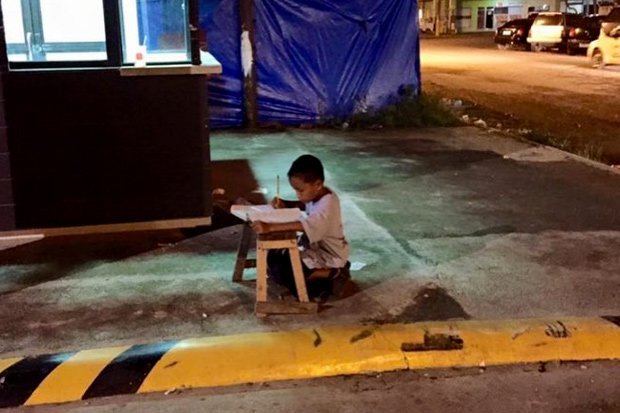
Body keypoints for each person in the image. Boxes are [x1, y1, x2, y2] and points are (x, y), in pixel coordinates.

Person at [251, 154, 350, 301]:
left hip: (330, 256)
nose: (298, 195)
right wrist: (286, 203)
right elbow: (305, 204)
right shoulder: (318, 193)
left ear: (317, 185)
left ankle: (334, 273)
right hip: (314, 250)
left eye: (300, 190)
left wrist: (269, 227)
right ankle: (318, 275)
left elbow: (304, 225)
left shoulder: (327, 205)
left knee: (297, 284)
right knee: (273, 257)